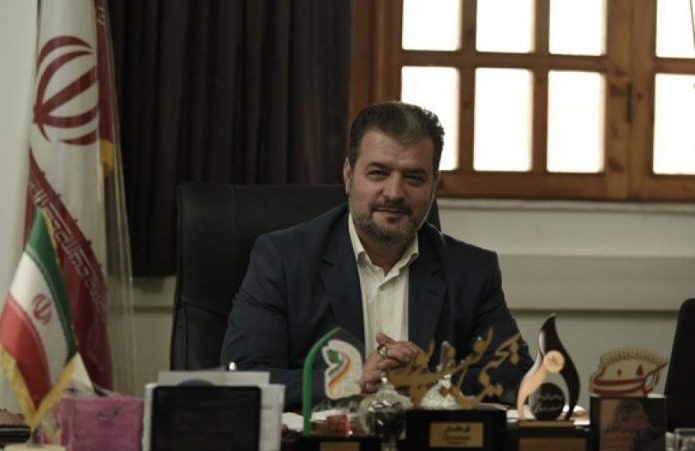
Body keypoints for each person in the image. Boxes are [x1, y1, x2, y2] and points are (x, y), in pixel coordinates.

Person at [222, 101, 533, 409]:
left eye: (414, 178)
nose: (394, 192)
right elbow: (245, 379)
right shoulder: (283, 260)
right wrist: (347, 380)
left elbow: (516, 375)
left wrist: (431, 384)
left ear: (434, 185)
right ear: (349, 175)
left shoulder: (471, 271)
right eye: (378, 173)